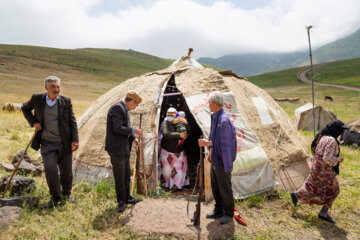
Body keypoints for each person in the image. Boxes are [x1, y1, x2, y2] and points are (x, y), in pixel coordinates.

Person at [22, 76, 79, 208]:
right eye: (53, 86)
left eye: (58, 87)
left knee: (66, 171)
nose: (56, 89)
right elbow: (25, 108)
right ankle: (56, 198)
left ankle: (66, 194)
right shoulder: (37, 99)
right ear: (46, 87)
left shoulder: (65, 101)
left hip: (64, 142)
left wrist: (75, 139)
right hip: (47, 142)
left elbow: (72, 121)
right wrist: (34, 122)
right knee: (50, 169)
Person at [291, 120, 349, 223]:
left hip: (316, 166)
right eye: (340, 130)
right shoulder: (332, 140)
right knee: (334, 190)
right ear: (336, 130)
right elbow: (327, 158)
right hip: (324, 170)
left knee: (312, 185)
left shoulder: (324, 137)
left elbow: (316, 150)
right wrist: (338, 160)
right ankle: (323, 213)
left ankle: (297, 194)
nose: (341, 133)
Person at [198, 91, 237, 225]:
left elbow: (225, 143)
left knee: (224, 187)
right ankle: (219, 209)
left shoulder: (224, 121)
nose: (208, 105)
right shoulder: (215, 117)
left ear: (214, 103)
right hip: (215, 158)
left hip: (222, 161)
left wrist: (207, 144)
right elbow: (214, 138)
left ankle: (229, 213)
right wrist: (210, 151)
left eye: (209, 103)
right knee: (215, 186)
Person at [105, 91, 143, 212]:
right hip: (116, 149)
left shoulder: (124, 110)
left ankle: (127, 197)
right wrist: (134, 130)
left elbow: (125, 128)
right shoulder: (117, 108)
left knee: (127, 174)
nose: (135, 107)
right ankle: (121, 201)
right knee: (120, 176)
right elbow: (118, 128)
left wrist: (134, 138)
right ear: (132, 101)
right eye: (135, 105)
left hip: (124, 148)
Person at [159, 107, 189, 190]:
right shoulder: (165, 123)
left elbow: (188, 132)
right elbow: (166, 134)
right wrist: (179, 135)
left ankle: (179, 186)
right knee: (167, 170)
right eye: (169, 114)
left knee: (179, 171)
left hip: (179, 151)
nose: (170, 116)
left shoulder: (179, 121)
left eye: (172, 114)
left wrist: (186, 123)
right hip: (167, 151)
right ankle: (168, 186)